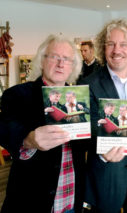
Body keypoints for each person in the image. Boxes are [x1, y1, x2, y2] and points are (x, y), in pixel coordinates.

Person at [0, 34, 87, 213]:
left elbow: (87, 141)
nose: (61, 64)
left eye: (67, 59)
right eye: (55, 57)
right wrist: (27, 138)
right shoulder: (18, 94)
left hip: (70, 200)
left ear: (73, 67)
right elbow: (4, 126)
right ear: (41, 61)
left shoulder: (80, 99)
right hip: (31, 203)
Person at [79, 19, 127, 213]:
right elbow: (85, 129)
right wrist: (101, 150)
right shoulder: (88, 83)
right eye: (111, 44)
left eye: (123, 44)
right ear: (103, 49)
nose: (116, 50)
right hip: (106, 172)